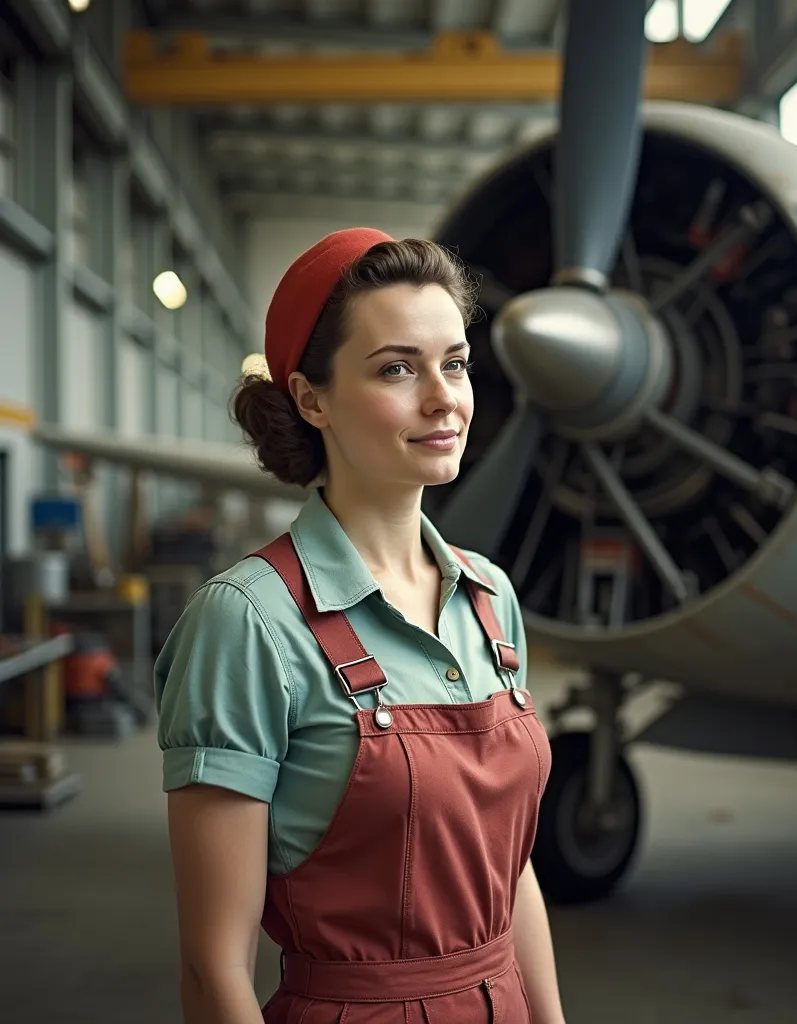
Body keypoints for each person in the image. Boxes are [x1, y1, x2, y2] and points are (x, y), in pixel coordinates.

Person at [155, 228, 565, 1024]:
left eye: (455, 363)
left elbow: (509, 874)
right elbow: (213, 973)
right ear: (312, 399)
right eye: (397, 368)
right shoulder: (247, 623)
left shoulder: (490, 596)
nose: (444, 397)